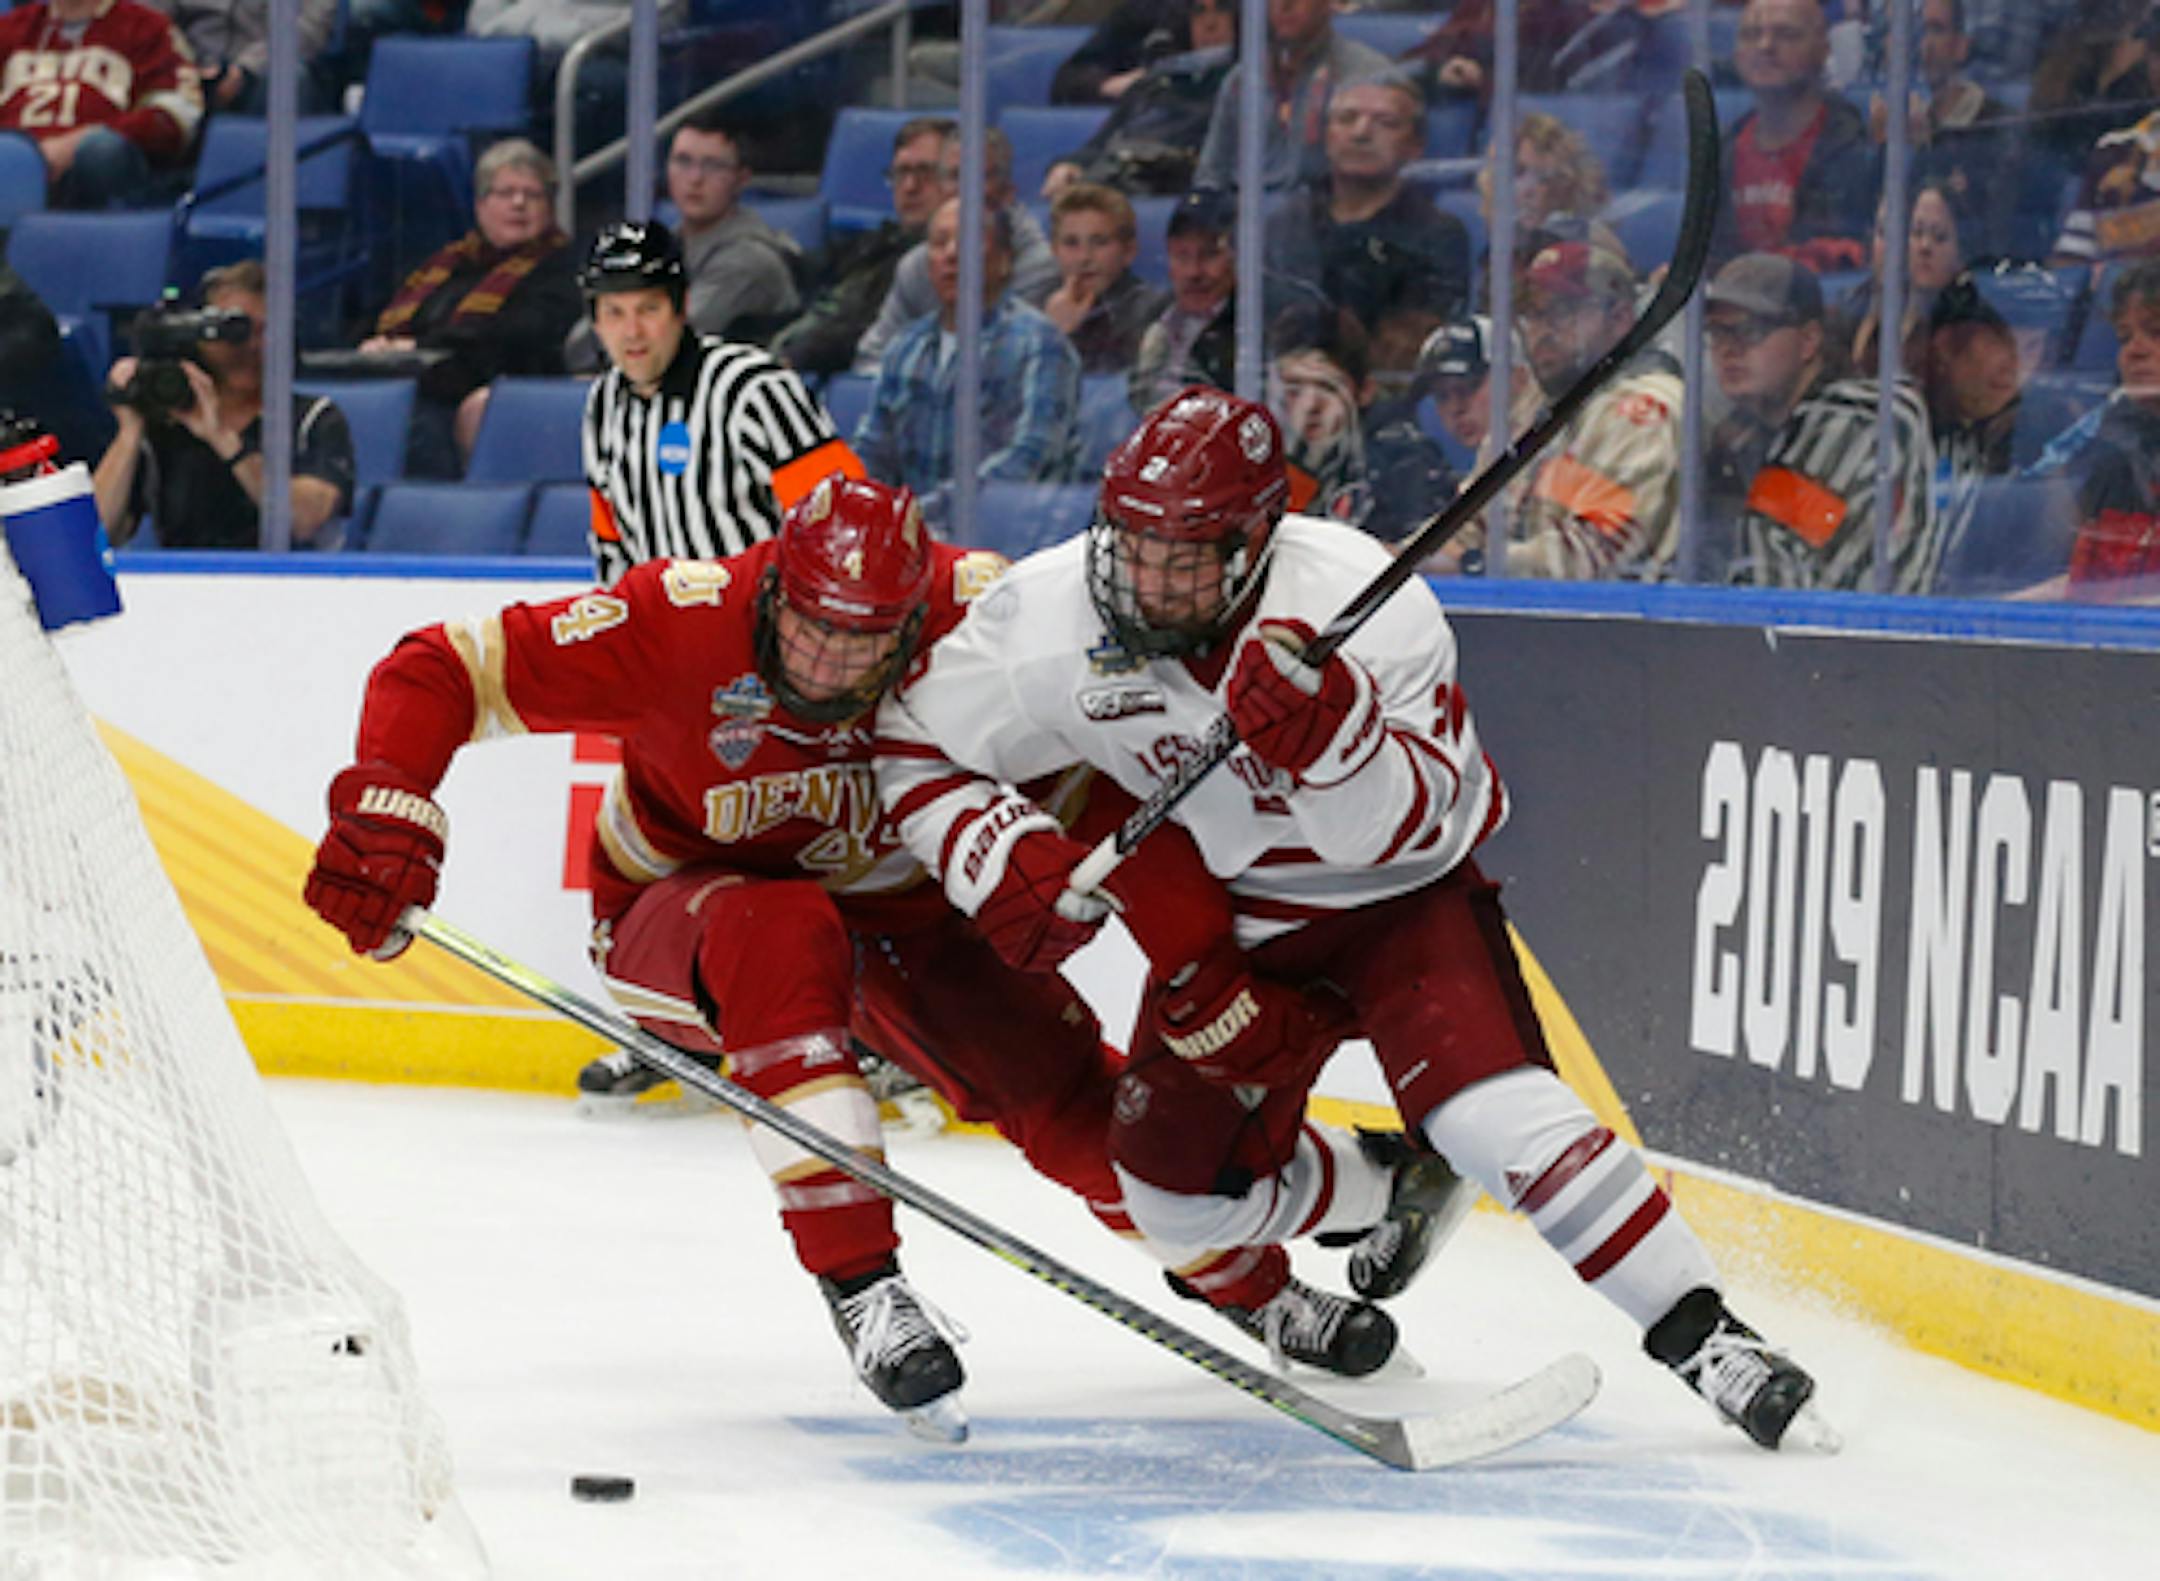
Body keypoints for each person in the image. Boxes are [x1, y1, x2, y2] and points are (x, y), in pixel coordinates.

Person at [301, 474, 1447, 1436]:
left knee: (1079, 1117)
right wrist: (391, 804)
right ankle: (865, 1286)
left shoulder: (981, 619)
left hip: (907, 915)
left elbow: (1102, 788)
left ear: (914, 619)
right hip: (685, 913)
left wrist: (1191, 958)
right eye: (808, 624)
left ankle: (1270, 1276)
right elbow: (440, 665)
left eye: (867, 639)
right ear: (774, 586)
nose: (834, 662)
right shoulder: (678, 618)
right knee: (777, 927)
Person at [873, 385, 1833, 1453]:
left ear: (1251, 546)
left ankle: (1709, 1338)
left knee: (1498, 1121)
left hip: (1396, 906)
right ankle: (1388, 1181)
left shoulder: (1370, 605)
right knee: (1168, 1202)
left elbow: (1441, 821)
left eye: (1181, 557)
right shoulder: (1047, 620)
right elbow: (912, 742)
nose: (1144, 580)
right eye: (1130, 545)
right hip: (1233, 934)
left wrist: (1337, 742)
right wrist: (989, 853)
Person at [575, 220, 858, 589]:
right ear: (595, 322)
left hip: (769, 638)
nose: (632, 332)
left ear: (682, 307)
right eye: (615, 312)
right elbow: (612, 549)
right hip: (668, 640)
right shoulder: (603, 405)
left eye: (648, 309)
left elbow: (845, 529)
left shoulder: (754, 390)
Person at [1434, 242, 1682, 581]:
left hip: (1618, 623)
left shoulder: (1645, 411)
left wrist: (1471, 564)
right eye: (1532, 313)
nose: (1542, 330)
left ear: (1621, 318)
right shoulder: (1541, 403)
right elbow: (1469, 523)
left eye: (1563, 311)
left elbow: (1594, 554)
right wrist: (1396, 559)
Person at [1711, 253, 1941, 593]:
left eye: (1751, 331)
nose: (1729, 349)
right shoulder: (1744, 433)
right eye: (1717, 332)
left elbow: (1772, 598)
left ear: (1808, 341)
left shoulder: (1856, 422)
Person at [357, 138, 582, 479]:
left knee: (414, 426)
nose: (518, 204)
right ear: (480, 205)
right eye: (505, 193)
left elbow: (521, 333)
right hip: (416, 381)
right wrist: (378, 343)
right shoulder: (447, 263)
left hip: (493, 389)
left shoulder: (562, 266)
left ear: (550, 206)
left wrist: (421, 348)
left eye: (532, 194)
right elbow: (384, 313)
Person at [90, 261, 354, 551]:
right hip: (185, 583)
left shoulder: (313, 420)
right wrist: (130, 431)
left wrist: (223, 439)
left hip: (286, 584)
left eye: (264, 331)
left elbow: (303, 519)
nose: (248, 346)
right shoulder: (168, 425)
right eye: (232, 331)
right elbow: (94, 537)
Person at [852, 198, 1080, 533]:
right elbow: (873, 450)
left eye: (969, 240)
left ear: (1004, 261)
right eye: (939, 243)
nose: (951, 254)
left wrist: (920, 516)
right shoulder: (905, 347)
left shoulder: (1039, 343)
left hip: (1008, 539)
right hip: (911, 543)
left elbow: (1031, 458)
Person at [1264, 69, 1472, 374]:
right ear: (1325, 136)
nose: (1361, 132)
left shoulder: (1438, 234)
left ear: (1416, 145)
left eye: (1385, 123)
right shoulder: (1286, 224)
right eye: (1346, 119)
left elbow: (1409, 350)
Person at [566, 111, 802, 372]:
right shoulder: (660, 247)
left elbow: (664, 341)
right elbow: (579, 345)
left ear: (742, 178)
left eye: (713, 165)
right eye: (683, 161)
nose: (695, 178)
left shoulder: (750, 260)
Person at [851, 126, 1058, 375]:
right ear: (939, 188)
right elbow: (871, 360)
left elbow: (998, 362)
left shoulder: (1039, 265)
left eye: (977, 177)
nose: (964, 190)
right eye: (954, 176)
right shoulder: (917, 264)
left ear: (1006, 193)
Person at [2016, 258, 2160, 600]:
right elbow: (2078, 578)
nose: (2134, 352)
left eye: (2156, 332)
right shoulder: (2107, 444)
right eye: (2125, 338)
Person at [772, 117, 955, 377]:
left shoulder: (946, 265)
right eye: (901, 173)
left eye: (925, 173)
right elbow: (807, 267)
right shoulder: (876, 244)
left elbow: (864, 331)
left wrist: (791, 358)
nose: (909, 187)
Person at [1266, 303, 1455, 543]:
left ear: (1365, 391)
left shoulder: (1404, 461)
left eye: (1328, 388)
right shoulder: (1269, 465)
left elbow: (1429, 558)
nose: (1310, 406)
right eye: (1295, 389)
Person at [1710, 0, 1876, 274]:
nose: (1765, 46)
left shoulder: (1855, 151)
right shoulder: (1722, 152)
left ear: (1823, 49)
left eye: (1786, 34)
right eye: (1751, 35)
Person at [0, 0, 201, 209]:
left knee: (100, 151)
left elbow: (176, 114)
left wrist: (83, 139)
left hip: (98, 170)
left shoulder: (148, 27)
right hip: (13, 165)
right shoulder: (9, 28)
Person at [1039, 0, 1236, 199]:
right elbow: (1100, 144)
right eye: (1199, 11)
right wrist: (1071, 166)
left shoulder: (1244, 87)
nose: (1209, 23)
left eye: (1223, 9)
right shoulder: (1158, 81)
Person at [1190, 0, 1388, 193]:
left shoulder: (1366, 78)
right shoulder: (1242, 82)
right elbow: (1210, 177)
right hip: (1244, 217)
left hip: (1325, 216)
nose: (1284, 4)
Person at [1030, 182, 1168, 374]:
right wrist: (1051, 331)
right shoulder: (1036, 310)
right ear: (1054, 251)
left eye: (1100, 242)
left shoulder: (1156, 310)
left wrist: (1059, 338)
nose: (1084, 257)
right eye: (1071, 243)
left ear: (1129, 251)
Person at [1128, 190, 1236, 411]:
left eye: (1209, 254)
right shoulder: (1144, 318)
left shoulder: (1257, 327)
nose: (1194, 272)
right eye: (1182, 256)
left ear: (1238, 257)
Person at [163, 0, 341, 117]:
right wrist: (182, 65)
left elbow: (310, 30)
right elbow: (147, 16)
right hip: (187, 67)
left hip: (261, 69)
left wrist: (244, 70)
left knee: (288, 78)